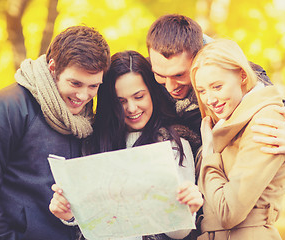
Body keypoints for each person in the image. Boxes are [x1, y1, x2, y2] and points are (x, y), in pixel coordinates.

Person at [0, 26, 110, 240]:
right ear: (53, 68)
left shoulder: (86, 120)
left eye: (93, 86)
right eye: (75, 83)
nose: (83, 95)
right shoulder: (5, 107)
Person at [49, 50, 203, 240]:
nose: (131, 108)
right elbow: (92, 224)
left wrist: (187, 211)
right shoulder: (93, 143)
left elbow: (178, 233)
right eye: (121, 101)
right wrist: (70, 214)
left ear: (152, 94)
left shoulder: (174, 144)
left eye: (139, 97)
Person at [146, 14, 285, 165]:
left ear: (199, 57)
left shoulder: (241, 75)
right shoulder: (144, 74)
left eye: (179, 75)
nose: (169, 86)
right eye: (160, 75)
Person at [192, 39, 285, 239]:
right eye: (202, 90)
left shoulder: (266, 121)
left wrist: (209, 155)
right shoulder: (225, 123)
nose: (209, 99)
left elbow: (228, 212)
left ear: (241, 75)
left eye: (217, 86)